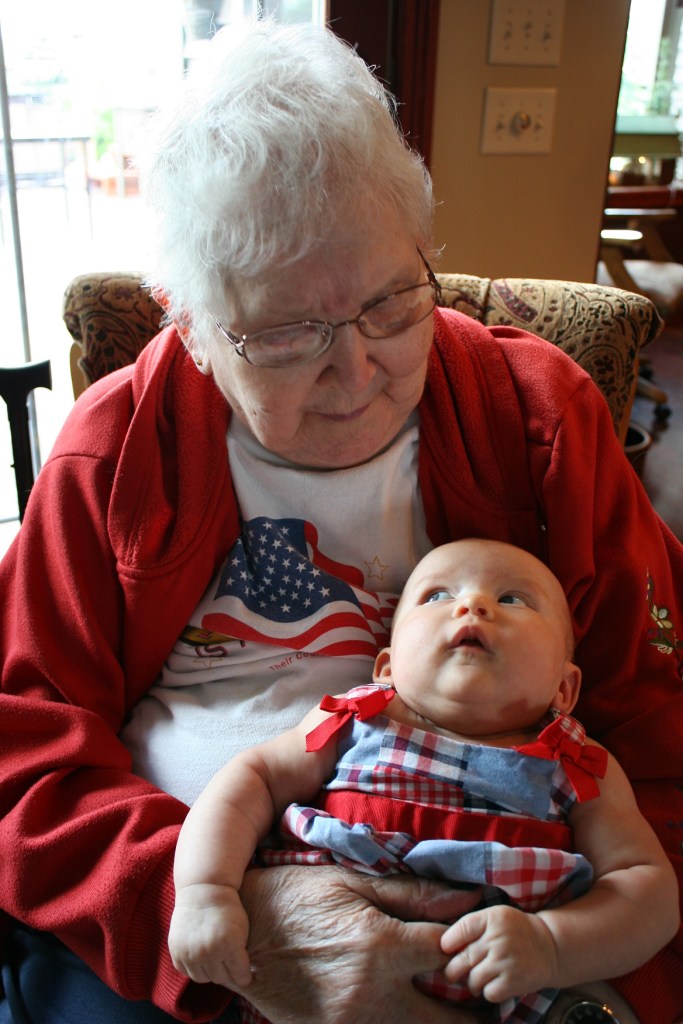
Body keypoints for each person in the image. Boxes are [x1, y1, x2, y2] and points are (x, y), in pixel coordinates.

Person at [0, 16, 682, 1024]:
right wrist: (221, 923)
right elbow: (24, 755)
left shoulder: (541, 419)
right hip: (190, 930)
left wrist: (599, 976)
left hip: (511, 944)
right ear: (190, 323)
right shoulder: (114, 453)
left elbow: (659, 727)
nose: (356, 371)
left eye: (392, 302)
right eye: (286, 333)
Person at [168, 539, 679, 1024]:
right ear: (386, 668)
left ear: (564, 688)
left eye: (513, 599)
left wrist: (551, 945)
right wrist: (206, 890)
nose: (473, 605)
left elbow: (646, 890)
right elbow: (251, 781)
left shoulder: (578, 765)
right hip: (306, 990)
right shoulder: (353, 721)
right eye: (437, 596)